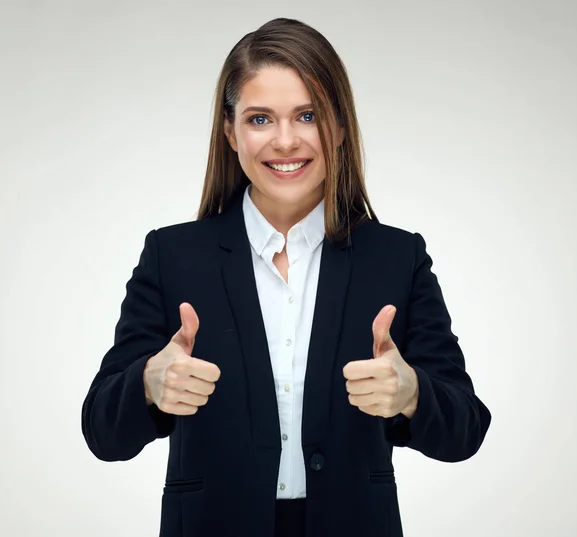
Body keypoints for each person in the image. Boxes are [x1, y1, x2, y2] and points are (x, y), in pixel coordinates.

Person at [81, 17, 491, 537]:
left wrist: (412, 394)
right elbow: (101, 432)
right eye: (259, 119)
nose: (285, 140)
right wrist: (146, 385)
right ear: (229, 131)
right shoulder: (173, 256)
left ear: (338, 126)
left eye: (307, 115)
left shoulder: (395, 257)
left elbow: (466, 430)